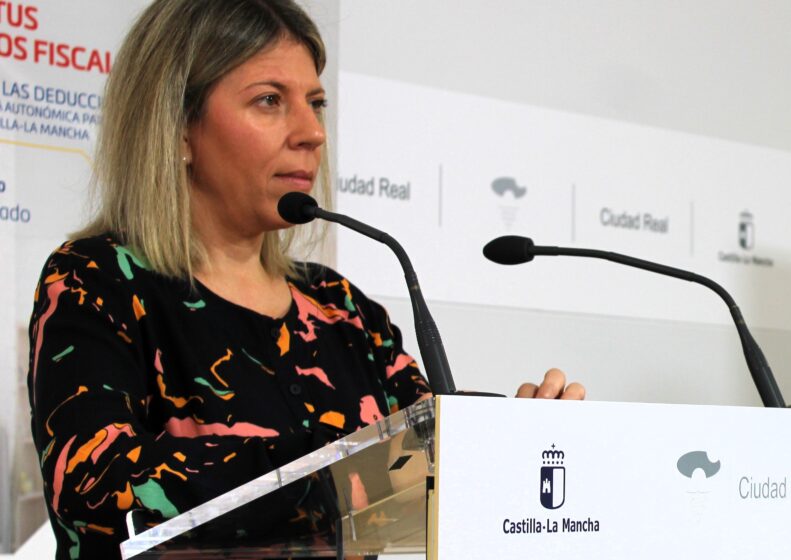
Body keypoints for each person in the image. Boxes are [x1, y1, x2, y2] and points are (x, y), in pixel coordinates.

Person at [27, 1, 585, 558]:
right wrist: (339, 466)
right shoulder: (94, 281)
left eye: (315, 103)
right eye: (269, 100)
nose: (313, 132)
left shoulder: (341, 307)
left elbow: (427, 464)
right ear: (177, 129)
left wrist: (510, 441)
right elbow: (95, 485)